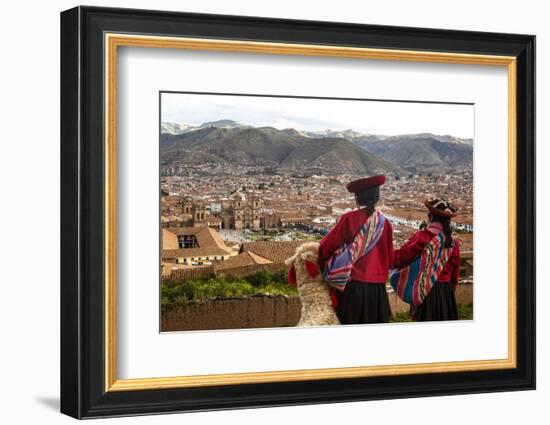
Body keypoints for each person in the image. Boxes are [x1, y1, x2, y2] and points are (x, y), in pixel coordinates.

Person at [318, 175, 394, 324]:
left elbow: (325, 247)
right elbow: (390, 259)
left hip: (352, 287)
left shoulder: (349, 219)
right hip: (378, 290)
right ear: (377, 196)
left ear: (358, 198)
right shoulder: (385, 224)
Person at [393, 198, 461, 321]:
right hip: (445, 292)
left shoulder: (422, 237)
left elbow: (402, 258)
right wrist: (448, 292)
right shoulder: (453, 244)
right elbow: (454, 274)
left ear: (430, 217)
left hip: (424, 290)